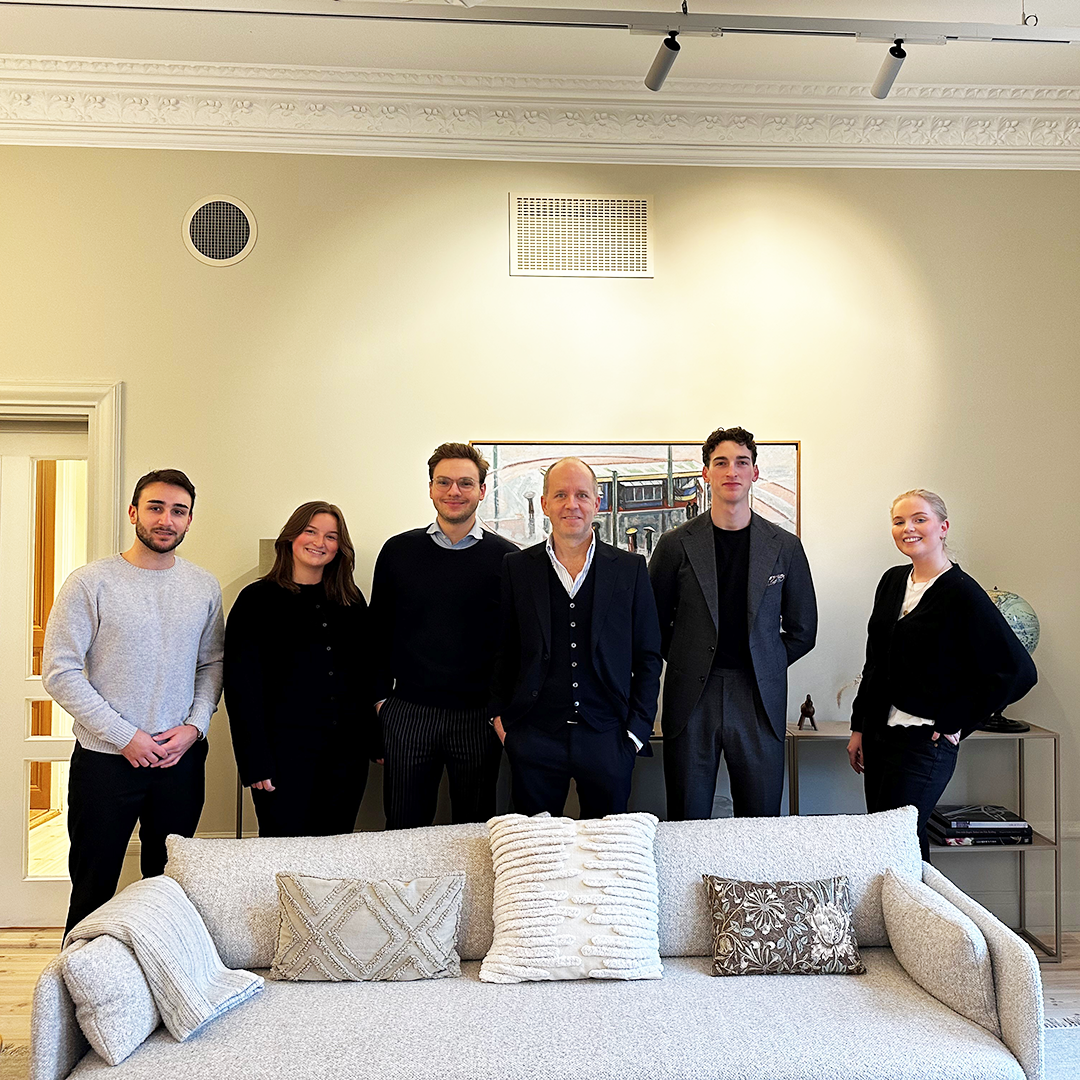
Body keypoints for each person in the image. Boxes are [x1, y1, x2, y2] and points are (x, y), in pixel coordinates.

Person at [42, 469, 223, 937]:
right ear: (133, 513)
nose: (166, 520)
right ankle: (75, 995)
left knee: (167, 889)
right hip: (106, 762)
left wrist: (194, 728)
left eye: (178, 511)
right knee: (93, 886)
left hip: (179, 760)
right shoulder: (90, 582)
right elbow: (59, 672)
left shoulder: (203, 586)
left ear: (189, 521)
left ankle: (160, 992)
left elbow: (212, 665)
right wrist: (126, 737)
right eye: (156, 508)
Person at [847, 489, 1037, 859]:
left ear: (943, 527)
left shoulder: (962, 592)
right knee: (881, 837)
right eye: (899, 521)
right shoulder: (891, 582)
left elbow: (1018, 671)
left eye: (920, 519)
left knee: (900, 838)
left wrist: (958, 721)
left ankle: (921, 915)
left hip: (924, 744)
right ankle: (899, 916)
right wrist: (859, 727)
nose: (908, 528)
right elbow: (875, 662)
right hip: (879, 737)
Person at [649, 426, 817, 820]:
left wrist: (765, 658)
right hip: (693, 696)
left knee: (759, 823)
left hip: (758, 695)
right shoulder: (676, 544)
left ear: (755, 473)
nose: (732, 471)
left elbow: (803, 629)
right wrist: (688, 658)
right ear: (705, 473)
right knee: (687, 821)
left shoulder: (784, 546)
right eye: (720, 462)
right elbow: (652, 625)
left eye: (742, 462)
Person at [491, 457, 662, 818]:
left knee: (607, 852)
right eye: (561, 495)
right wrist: (502, 724)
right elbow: (502, 649)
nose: (572, 504)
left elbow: (648, 656)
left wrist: (636, 732)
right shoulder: (517, 568)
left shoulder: (630, 570)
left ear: (597, 502)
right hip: (534, 737)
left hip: (609, 738)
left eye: (582, 495)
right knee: (536, 852)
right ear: (545, 503)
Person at [370, 442, 517, 830]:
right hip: (409, 712)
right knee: (403, 826)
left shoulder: (509, 560)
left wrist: (499, 709)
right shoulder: (398, 551)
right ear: (431, 488)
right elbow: (377, 630)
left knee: (473, 829)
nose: (455, 491)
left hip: (477, 717)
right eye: (445, 482)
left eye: (465, 483)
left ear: (482, 491)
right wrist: (382, 702)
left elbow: (513, 644)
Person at [224, 501, 375, 837]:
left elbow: (365, 676)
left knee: (335, 853)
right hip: (280, 758)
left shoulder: (351, 602)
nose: (319, 542)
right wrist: (254, 759)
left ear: (340, 548)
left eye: (331, 536)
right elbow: (241, 687)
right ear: (290, 537)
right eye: (310, 531)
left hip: (346, 757)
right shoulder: (255, 600)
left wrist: (375, 740)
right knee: (283, 851)